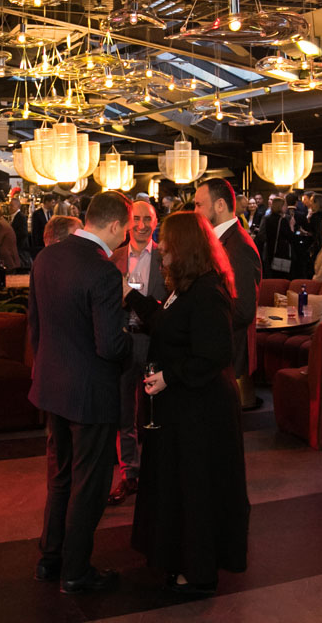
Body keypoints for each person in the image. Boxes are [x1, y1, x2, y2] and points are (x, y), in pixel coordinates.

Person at [124, 211, 248, 596]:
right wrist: (131, 296)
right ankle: (182, 559)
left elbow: (215, 353)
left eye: (168, 243)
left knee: (196, 488)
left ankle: (199, 570)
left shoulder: (208, 290)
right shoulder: (188, 286)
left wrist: (169, 376)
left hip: (202, 409)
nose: (161, 249)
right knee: (181, 484)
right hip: (185, 406)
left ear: (186, 247)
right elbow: (165, 323)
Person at [29, 191, 132, 595]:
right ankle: (75, 571)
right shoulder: (102, 271)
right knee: (89, 484)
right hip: (90, 393)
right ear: (114, 225)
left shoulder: (46, 257)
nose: (125, 237)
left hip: (52, 385)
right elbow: (110, 346)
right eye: (125, 229)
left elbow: (36, 325)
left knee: (60, 477)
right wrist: (134, 338)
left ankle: (50, 559)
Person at [108, 199, 165, 506]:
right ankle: (129, 473)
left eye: (148, 219)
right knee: (123, 411)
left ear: (155, 223)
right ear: (128, 222)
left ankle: (157, 472)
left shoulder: (166, 258)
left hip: (153, 343)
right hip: (122, 341)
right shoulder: (112, 258)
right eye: (137, 219)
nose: (142, 225)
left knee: (156, 411)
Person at [193, 178, 262, 411]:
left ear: (220, 205)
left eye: (199, 205)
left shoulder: (238, 246)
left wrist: (204, 324)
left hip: (229, 353)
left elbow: (243, 310)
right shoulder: (222, 240)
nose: (195, 211)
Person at [258, 195, 293, 279]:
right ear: (280, 206)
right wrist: (291, 226)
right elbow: (290, 237)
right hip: (280, 252)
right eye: (285, 205)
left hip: (268, 251)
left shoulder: (267, 218)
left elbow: (261, 234)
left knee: (270, 276)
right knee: (281, 277)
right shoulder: (283, 220)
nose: (286, 207)